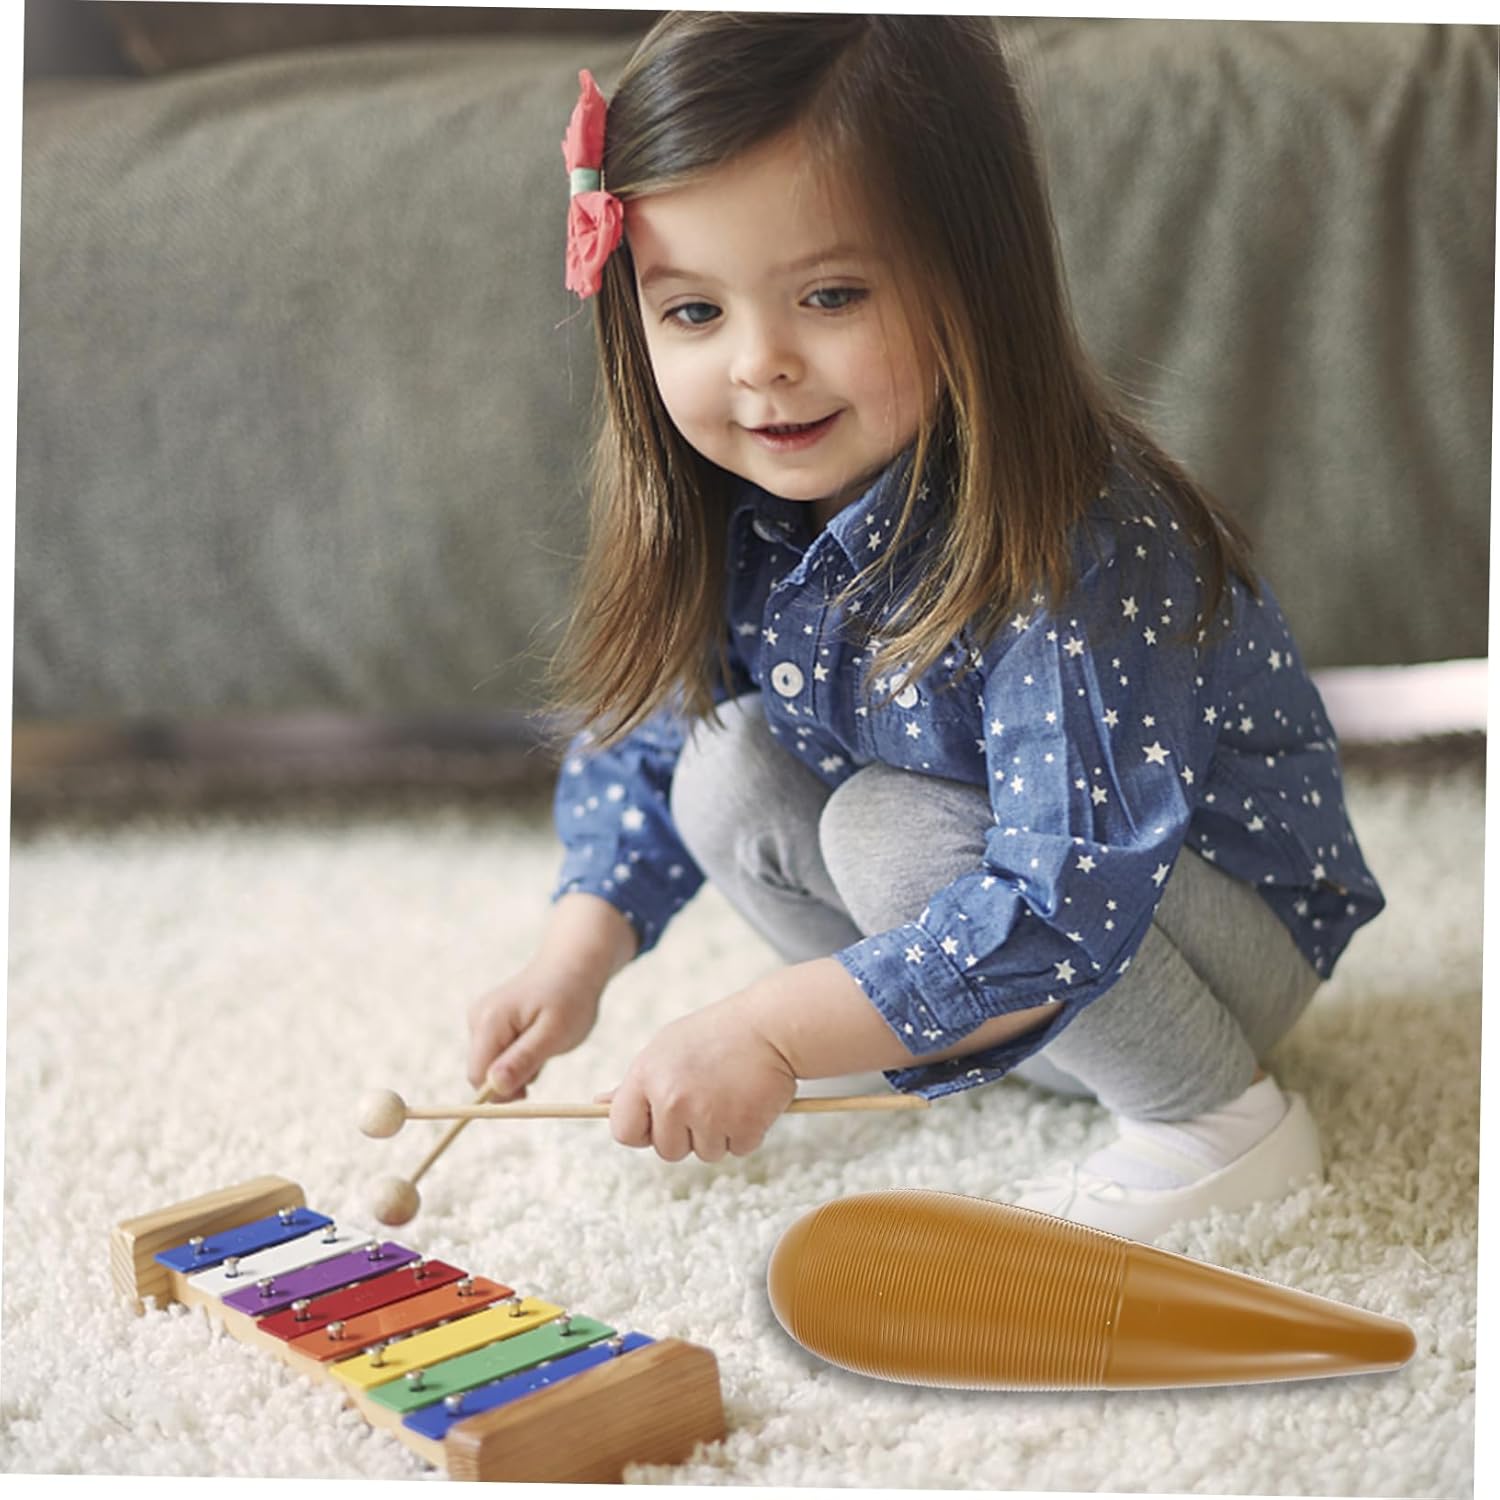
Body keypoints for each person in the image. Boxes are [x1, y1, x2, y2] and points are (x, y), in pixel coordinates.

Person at [466, 13, 1384, 1241]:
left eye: (831, 296)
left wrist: (770, 1028)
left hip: (1203, 943)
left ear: (970, 278)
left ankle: (1216, 1117)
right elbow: (651, 736)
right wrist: (569, 960)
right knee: (725, 767)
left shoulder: (1074, 534)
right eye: (693, 313)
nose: (760, 365)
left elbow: (1066, 890)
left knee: (885, 826)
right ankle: (920, 1033)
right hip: (1013, 944)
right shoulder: (743, 503)